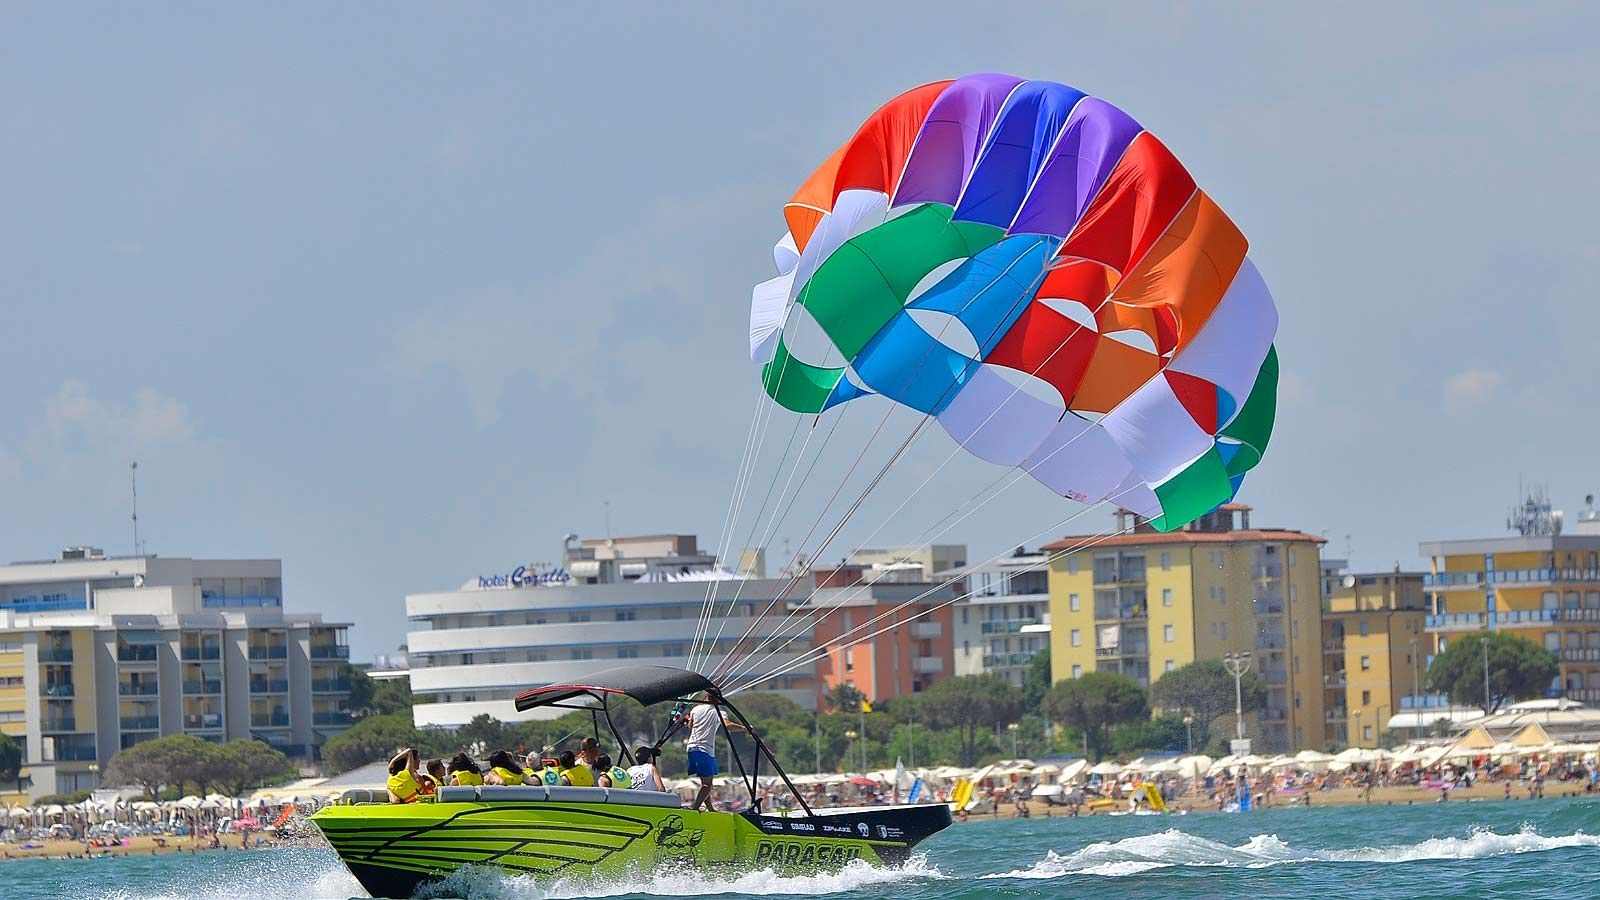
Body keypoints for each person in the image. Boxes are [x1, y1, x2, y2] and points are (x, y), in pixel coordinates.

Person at [685, 691, 743, 812]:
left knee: (705, 783)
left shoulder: (696, 709)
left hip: (691, 748)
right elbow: (728, 725)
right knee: (707, 785)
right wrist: (744, 728)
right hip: (704, 749)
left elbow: (690, 726)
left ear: (705, 697)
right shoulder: (719, 711)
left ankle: (710, 808)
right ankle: (694, 809)